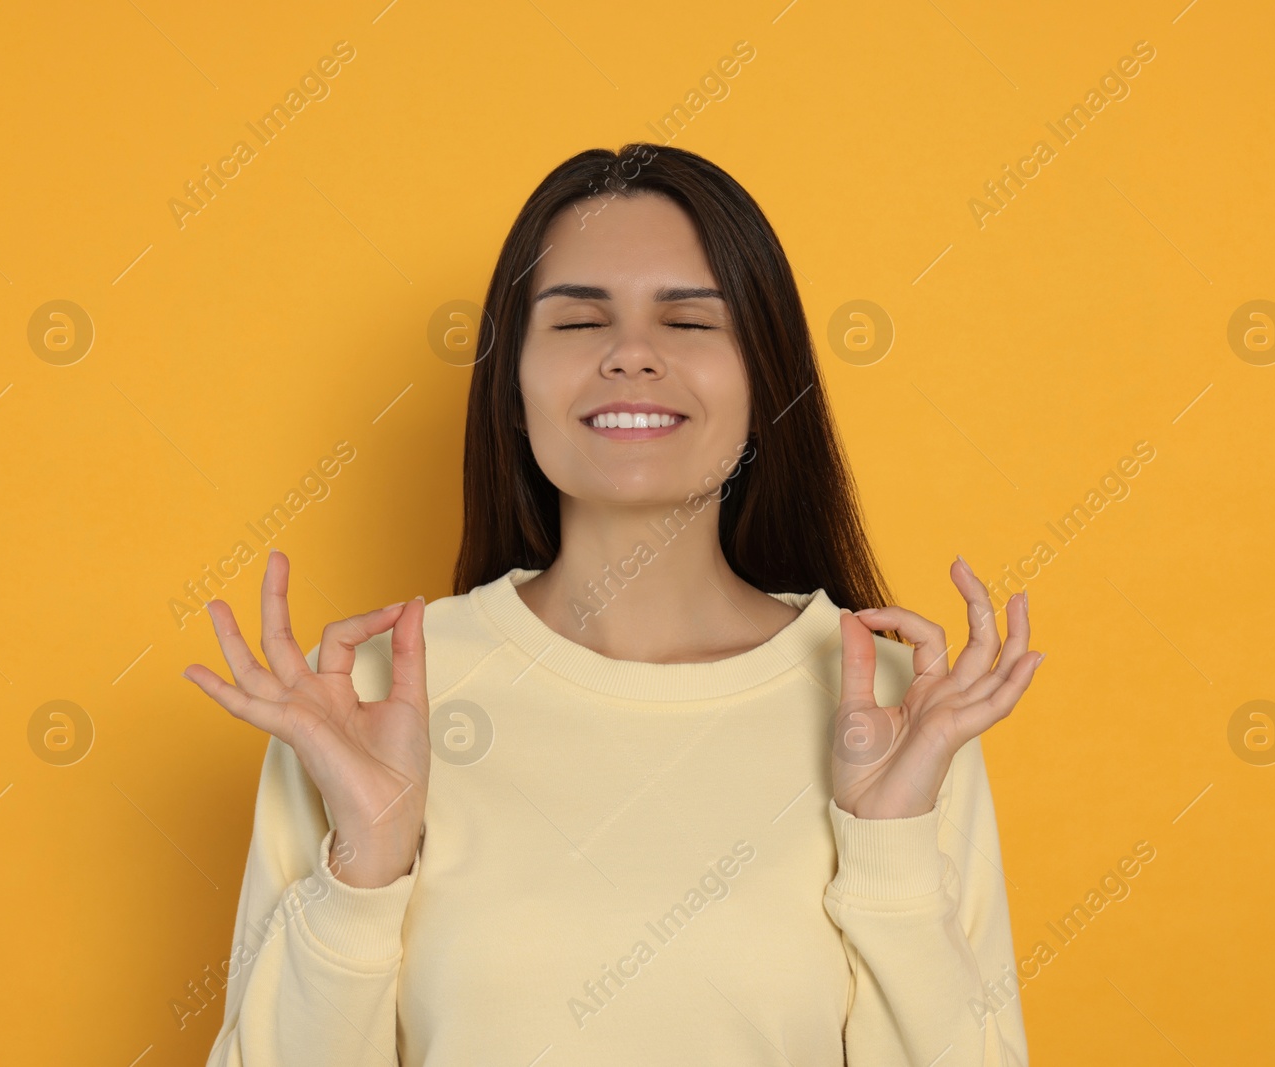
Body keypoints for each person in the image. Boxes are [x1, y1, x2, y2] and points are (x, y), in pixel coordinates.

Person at [184, 142, 1041, 1066]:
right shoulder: (366, 698)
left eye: (689, 322)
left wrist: (891, 854)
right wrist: (365, 865)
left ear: (765, 379)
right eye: (580, 322)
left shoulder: (895, 701)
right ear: (512, 386)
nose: (632, 355)